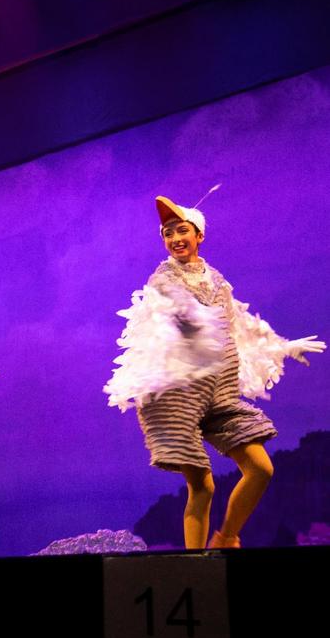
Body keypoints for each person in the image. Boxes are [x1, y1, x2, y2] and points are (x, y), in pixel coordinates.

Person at [105, 194, 324, 548]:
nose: (174, 238)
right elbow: (176, 311)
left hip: (219, 393)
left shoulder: (218, 282)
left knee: (261, 469)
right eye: (167, 233)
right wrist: (192, 325)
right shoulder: (163, 278)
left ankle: (227, 537)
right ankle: (194, 566)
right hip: (179, 395)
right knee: (202, 485)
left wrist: (279, 345)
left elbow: (239, 325)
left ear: (199, 236)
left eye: (181, 230)